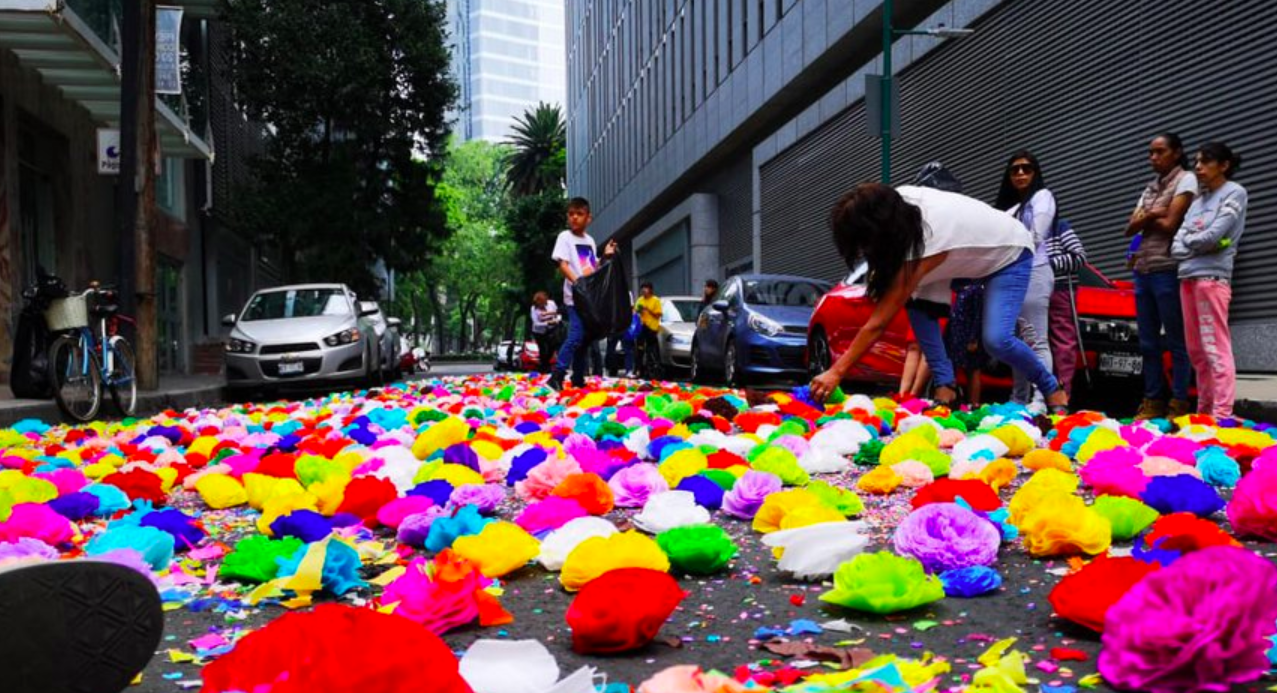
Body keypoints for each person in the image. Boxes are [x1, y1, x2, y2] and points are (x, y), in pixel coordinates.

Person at [808, 183, 1067, 415]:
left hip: (1010, 251)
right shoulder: (897, 206)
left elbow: (878, 323)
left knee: (997, 340)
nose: (865, 249)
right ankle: (946, 387)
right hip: (957, 256)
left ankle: (1052, 387)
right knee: (919, 306)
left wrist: (836, 371)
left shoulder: (926, 238)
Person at [1171, 141, 1248, 419]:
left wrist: (1193, 242)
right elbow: (1176, 246)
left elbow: (1215, 235)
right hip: (1187, 279)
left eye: (1205, 162)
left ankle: (1222, 413)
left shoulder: (1234, 192)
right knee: (1196, 351)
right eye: (1197, 162)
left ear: (1224, 165)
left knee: (1215, 348)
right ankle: (1204, 412)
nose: (1198, 168)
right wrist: (1198, 244)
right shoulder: (1197, 203)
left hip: (1212, 280)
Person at [1127, 133, 1197, 420]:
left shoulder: (1186, 180)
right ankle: (1153, 401)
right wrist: (1152, 214)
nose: (1153, 157)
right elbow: (1130, 228)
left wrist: (1147, 216)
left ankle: (1178, 403)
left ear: (1177, 152)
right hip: (1143, 270)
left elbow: (1170, 224)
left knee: (1177, 340)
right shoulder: (1150, 187)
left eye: (1160, 152)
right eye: (1150, 153)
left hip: (1169, 268)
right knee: (1147, 342)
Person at [996, 151, 1056, 410]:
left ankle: (1042, 398)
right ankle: (1019, 397)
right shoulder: (1010, 209)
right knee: (1014, 340)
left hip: (1034, 270)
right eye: (1014, 170)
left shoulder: (1042, 197)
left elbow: (1037, 235)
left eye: (1026, 168)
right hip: (1011, 274)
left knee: (1035, 337)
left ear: (1036, 172)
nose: (1020, 173)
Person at [548, 197, 616, 391]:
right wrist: (578, 284)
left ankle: (578, 377)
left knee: (585, 340)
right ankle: (557, 375)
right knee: (576, 336)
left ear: (588, 218)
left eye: (579, 214)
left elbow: (591, 267)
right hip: (574, 298)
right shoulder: (565, 237)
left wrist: (605, 256)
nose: (575, 218)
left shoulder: (590, 241)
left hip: (588, 299)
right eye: (571, 214)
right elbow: (562, 264)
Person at [1046, 220, 1088, 396]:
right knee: (1034, 340)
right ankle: (1038, 394)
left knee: (1063, 342)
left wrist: (1046, 264)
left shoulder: (1059, 227)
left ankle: (1062, 394)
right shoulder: (1024, 227)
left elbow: (1080, 257)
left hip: (1060, 289)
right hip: (1032, 290)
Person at [634, 282, 663, 378]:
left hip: (651, 329)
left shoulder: (656, 300)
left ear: (650, 290)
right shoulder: (640, 300)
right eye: (642, 288)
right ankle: (639, 370)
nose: (643, 290)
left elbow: (658, 315)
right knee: (639, 349)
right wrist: (639, 311)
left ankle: (651, 371)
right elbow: (635, 312)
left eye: (646, 288)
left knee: (651, 350)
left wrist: (649, 310)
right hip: (641, 327)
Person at [529, 291, 561, 374]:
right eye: (540, 304)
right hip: (539, 332)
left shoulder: (551, 304)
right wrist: (548, 323)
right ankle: (544, 367)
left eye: (543, 303)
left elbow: (558, 313)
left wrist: (557, 320)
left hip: (552, 330)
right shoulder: (533, 309)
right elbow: (536, 323)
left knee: (552, 346)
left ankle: (545, 364)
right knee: (543, 350)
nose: (542, 305)